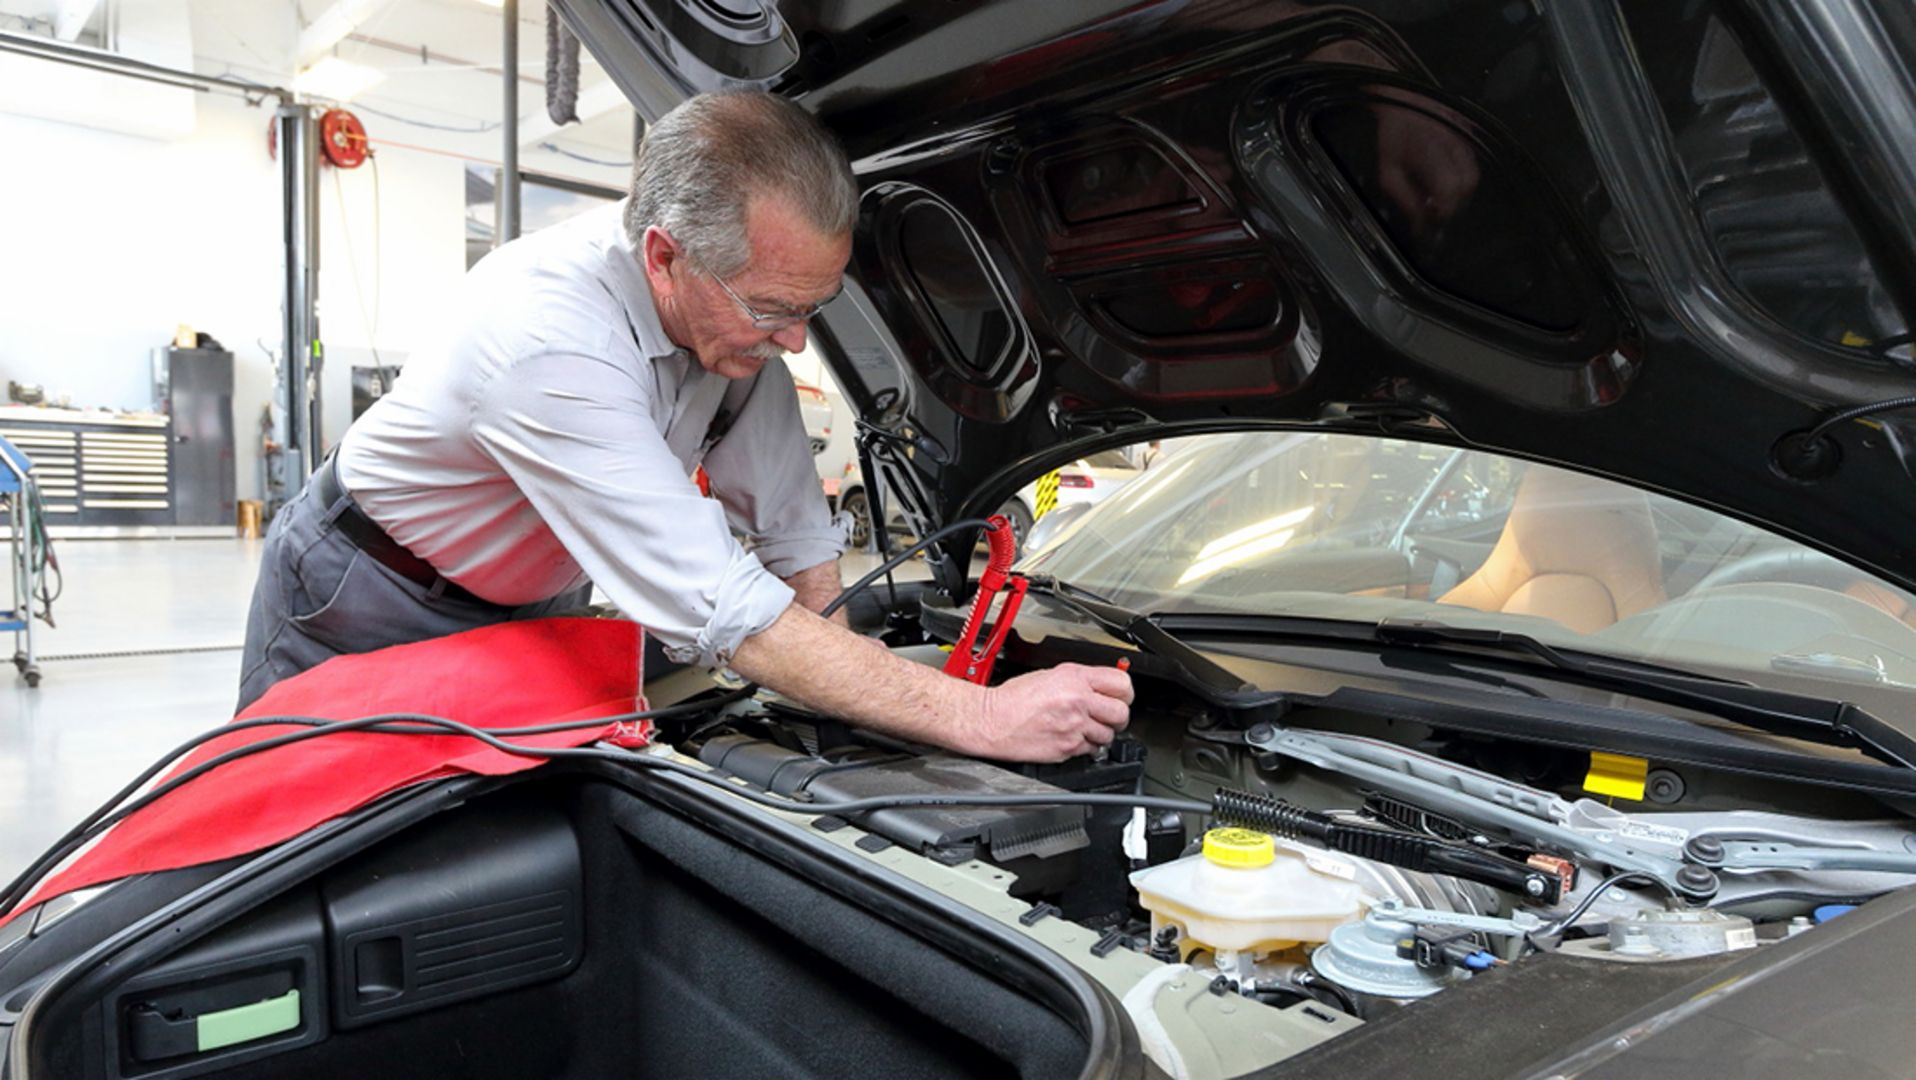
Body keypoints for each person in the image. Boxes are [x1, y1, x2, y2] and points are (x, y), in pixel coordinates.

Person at [237, 90, 1131, 762]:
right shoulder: (547, 344)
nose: (793, 339)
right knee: (300, 837)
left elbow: (792, 535)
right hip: (365, 592)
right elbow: (726, 609)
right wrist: (982, 719)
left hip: (534, 601)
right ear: (666, 256)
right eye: (775, 308)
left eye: (813, 307)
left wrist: (854, 696)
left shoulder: (731, 330)